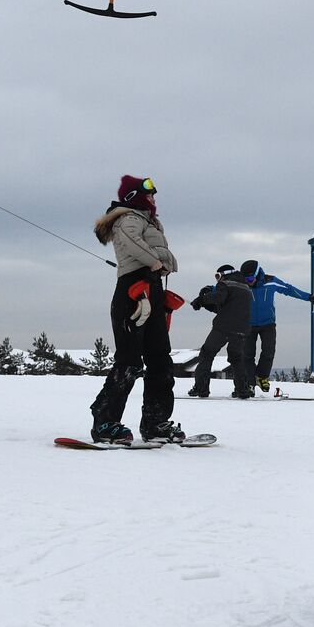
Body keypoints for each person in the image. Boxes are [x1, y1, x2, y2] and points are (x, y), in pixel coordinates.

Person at [88, 175, 186, 444]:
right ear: (135, 197)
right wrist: (155, 262)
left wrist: (164, 266)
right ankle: (105, 422)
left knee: (160, 359)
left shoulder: (147, 220)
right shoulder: (128, 218)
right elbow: (131, 241)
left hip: (152, 290)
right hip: (133, 291)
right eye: (150, 194)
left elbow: (152, 248)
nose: (154, 198)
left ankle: (156, 422)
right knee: (130, 360)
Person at [238, 259, 314, 393]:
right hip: (248, 325)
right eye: (245, 278)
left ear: (257, 273)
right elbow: (225, 287)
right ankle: (249, 384)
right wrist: (209, 290)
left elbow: (289, 289)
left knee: (269, 352)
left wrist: (308, 297)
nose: (248, 281)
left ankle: (261, 377)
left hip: (268, 324)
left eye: (250, 278)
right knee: (247, 355)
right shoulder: (242, 284)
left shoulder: (271, 281)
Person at [188, 264, 254, 399]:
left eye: (218, 276)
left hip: (223, 327)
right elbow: (225, 308)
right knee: (236, 358)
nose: (217, 279)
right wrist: (205, 304)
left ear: (224, 274)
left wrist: (201, 300)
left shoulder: (225, 284)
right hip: (242, 329)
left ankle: (201, 389)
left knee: (207, 353)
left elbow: (218, 298)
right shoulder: (246, 288)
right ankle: (243, 390)